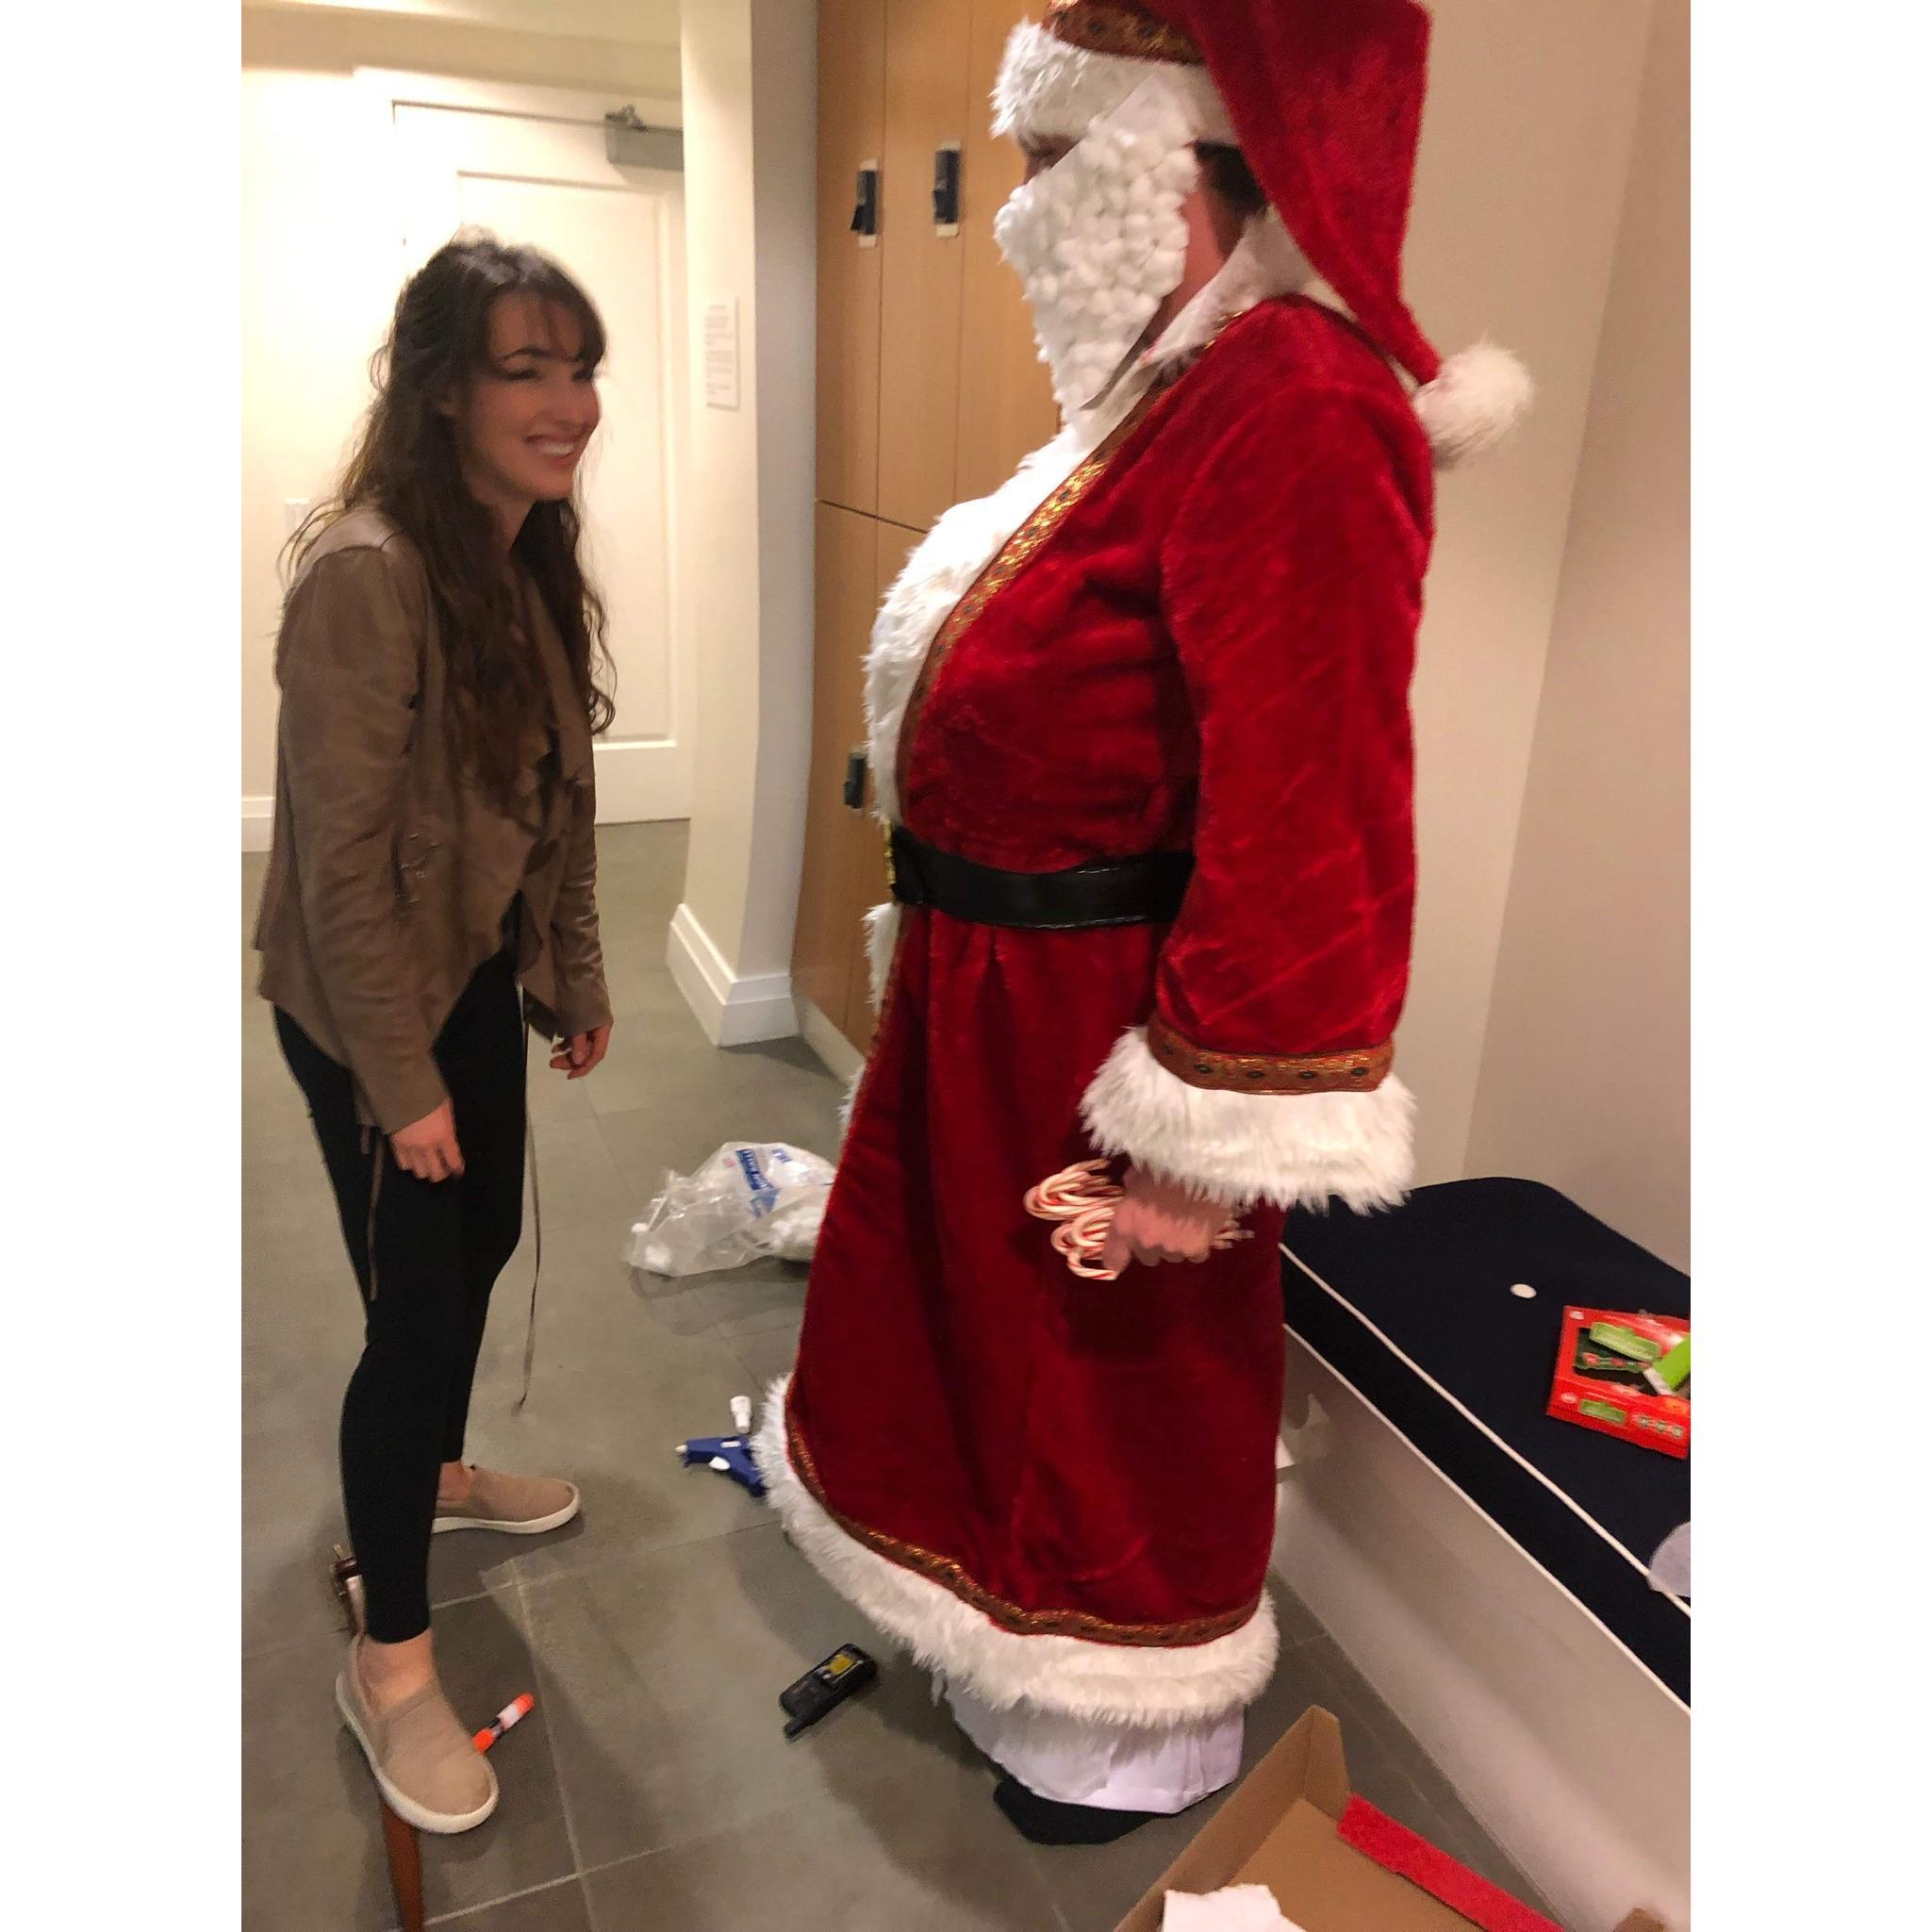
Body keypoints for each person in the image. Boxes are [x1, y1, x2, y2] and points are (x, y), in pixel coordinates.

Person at [761, 0, 1531, 1844]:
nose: (1017, 212)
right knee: (984, 1364)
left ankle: (1121, 1737)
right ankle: (1002, 1642)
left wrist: (1196, 1150)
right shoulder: (1163, 400)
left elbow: (1315, 815)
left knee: (1102, 1398)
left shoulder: (1296, 403)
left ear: (1177, 170)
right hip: (992, 1000)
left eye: (1048, 164)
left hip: (1103, 1029)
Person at [254, 234, 617, 1834]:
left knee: (470, 1257)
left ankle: (440, 1475)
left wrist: (574, 975)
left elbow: (557, 797)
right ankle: (388, 1660)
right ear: (442, 389)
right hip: (363, 1007)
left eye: (579, 366)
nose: (569, 401)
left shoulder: (521, 552)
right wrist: (400, 1086)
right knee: (411, 1317)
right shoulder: (370, 572)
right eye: (525, 368)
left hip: (463, 972)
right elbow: (336, 868)